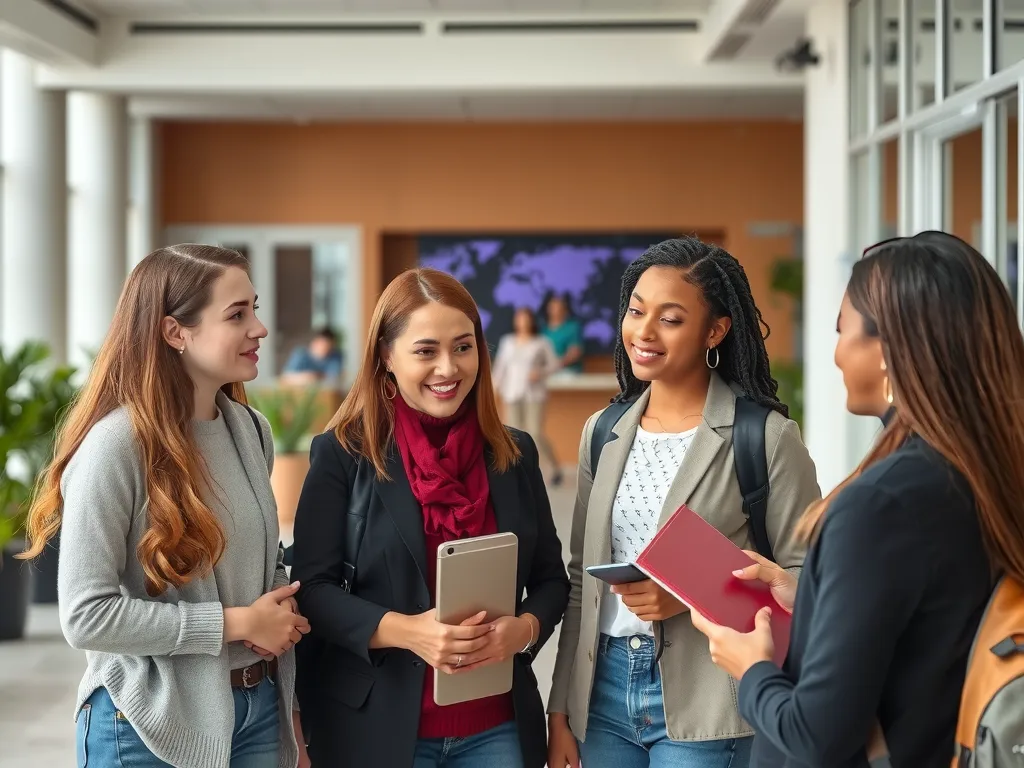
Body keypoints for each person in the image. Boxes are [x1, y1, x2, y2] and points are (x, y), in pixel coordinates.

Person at [690, 231, 1021, 767]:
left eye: (842, 330)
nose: (837, 352)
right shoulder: (985, 475)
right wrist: (814, 599)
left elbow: (815, 736)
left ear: (888, 350)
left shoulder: (882, 505)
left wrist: (751, 670)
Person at [22, 244, 311, 768]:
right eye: (237, 315)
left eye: (254, 309)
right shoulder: (116, 446)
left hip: (258, 709)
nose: (259, 329)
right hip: (146, 724)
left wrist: (278, 606)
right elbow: (85, 616)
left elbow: (264, 556)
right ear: (175, 332)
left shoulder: (251, 431)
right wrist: (236, 624)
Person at [547, 236, 821, 768]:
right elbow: (581, 579)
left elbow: (806, 577)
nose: (644, 332)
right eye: (635, 312)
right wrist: (561, 705)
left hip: (709, 696)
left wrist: (691, 596)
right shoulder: (601, 432)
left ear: (715, 330)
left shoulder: (764, 437)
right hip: (602, 694)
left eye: (670, 319)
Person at [290, 267, 570, 768]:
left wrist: (525, 629)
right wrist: (406, 631)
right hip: (376, 730)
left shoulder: (515, 453)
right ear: (386, 356)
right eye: (426, 351)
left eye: (463, 347)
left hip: (498, 730)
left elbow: (552, 580)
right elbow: (312, 590)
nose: (448, 368)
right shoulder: (343, 454)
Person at [492, 306, 563, 484]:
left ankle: (554, 468)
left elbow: (554, 364)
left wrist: (540, 372)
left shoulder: (541, 342)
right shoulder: (507, 341)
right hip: (511, 393)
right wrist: (492, 389)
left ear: (531, 321)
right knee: (512, 434)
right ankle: (518, 472)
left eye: (526, 318)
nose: (522, 322)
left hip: (534, 395)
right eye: (519, 318)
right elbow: (500, 368)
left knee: (535, 433)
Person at [542, 294, 585, 374]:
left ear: (565, 310)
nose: (555, 309)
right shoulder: (543, 330)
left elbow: (575, 352)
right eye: (552, 307)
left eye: (558, 306)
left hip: (568, 371)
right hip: (546, 372)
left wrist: (556, 365)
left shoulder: (572, 327)